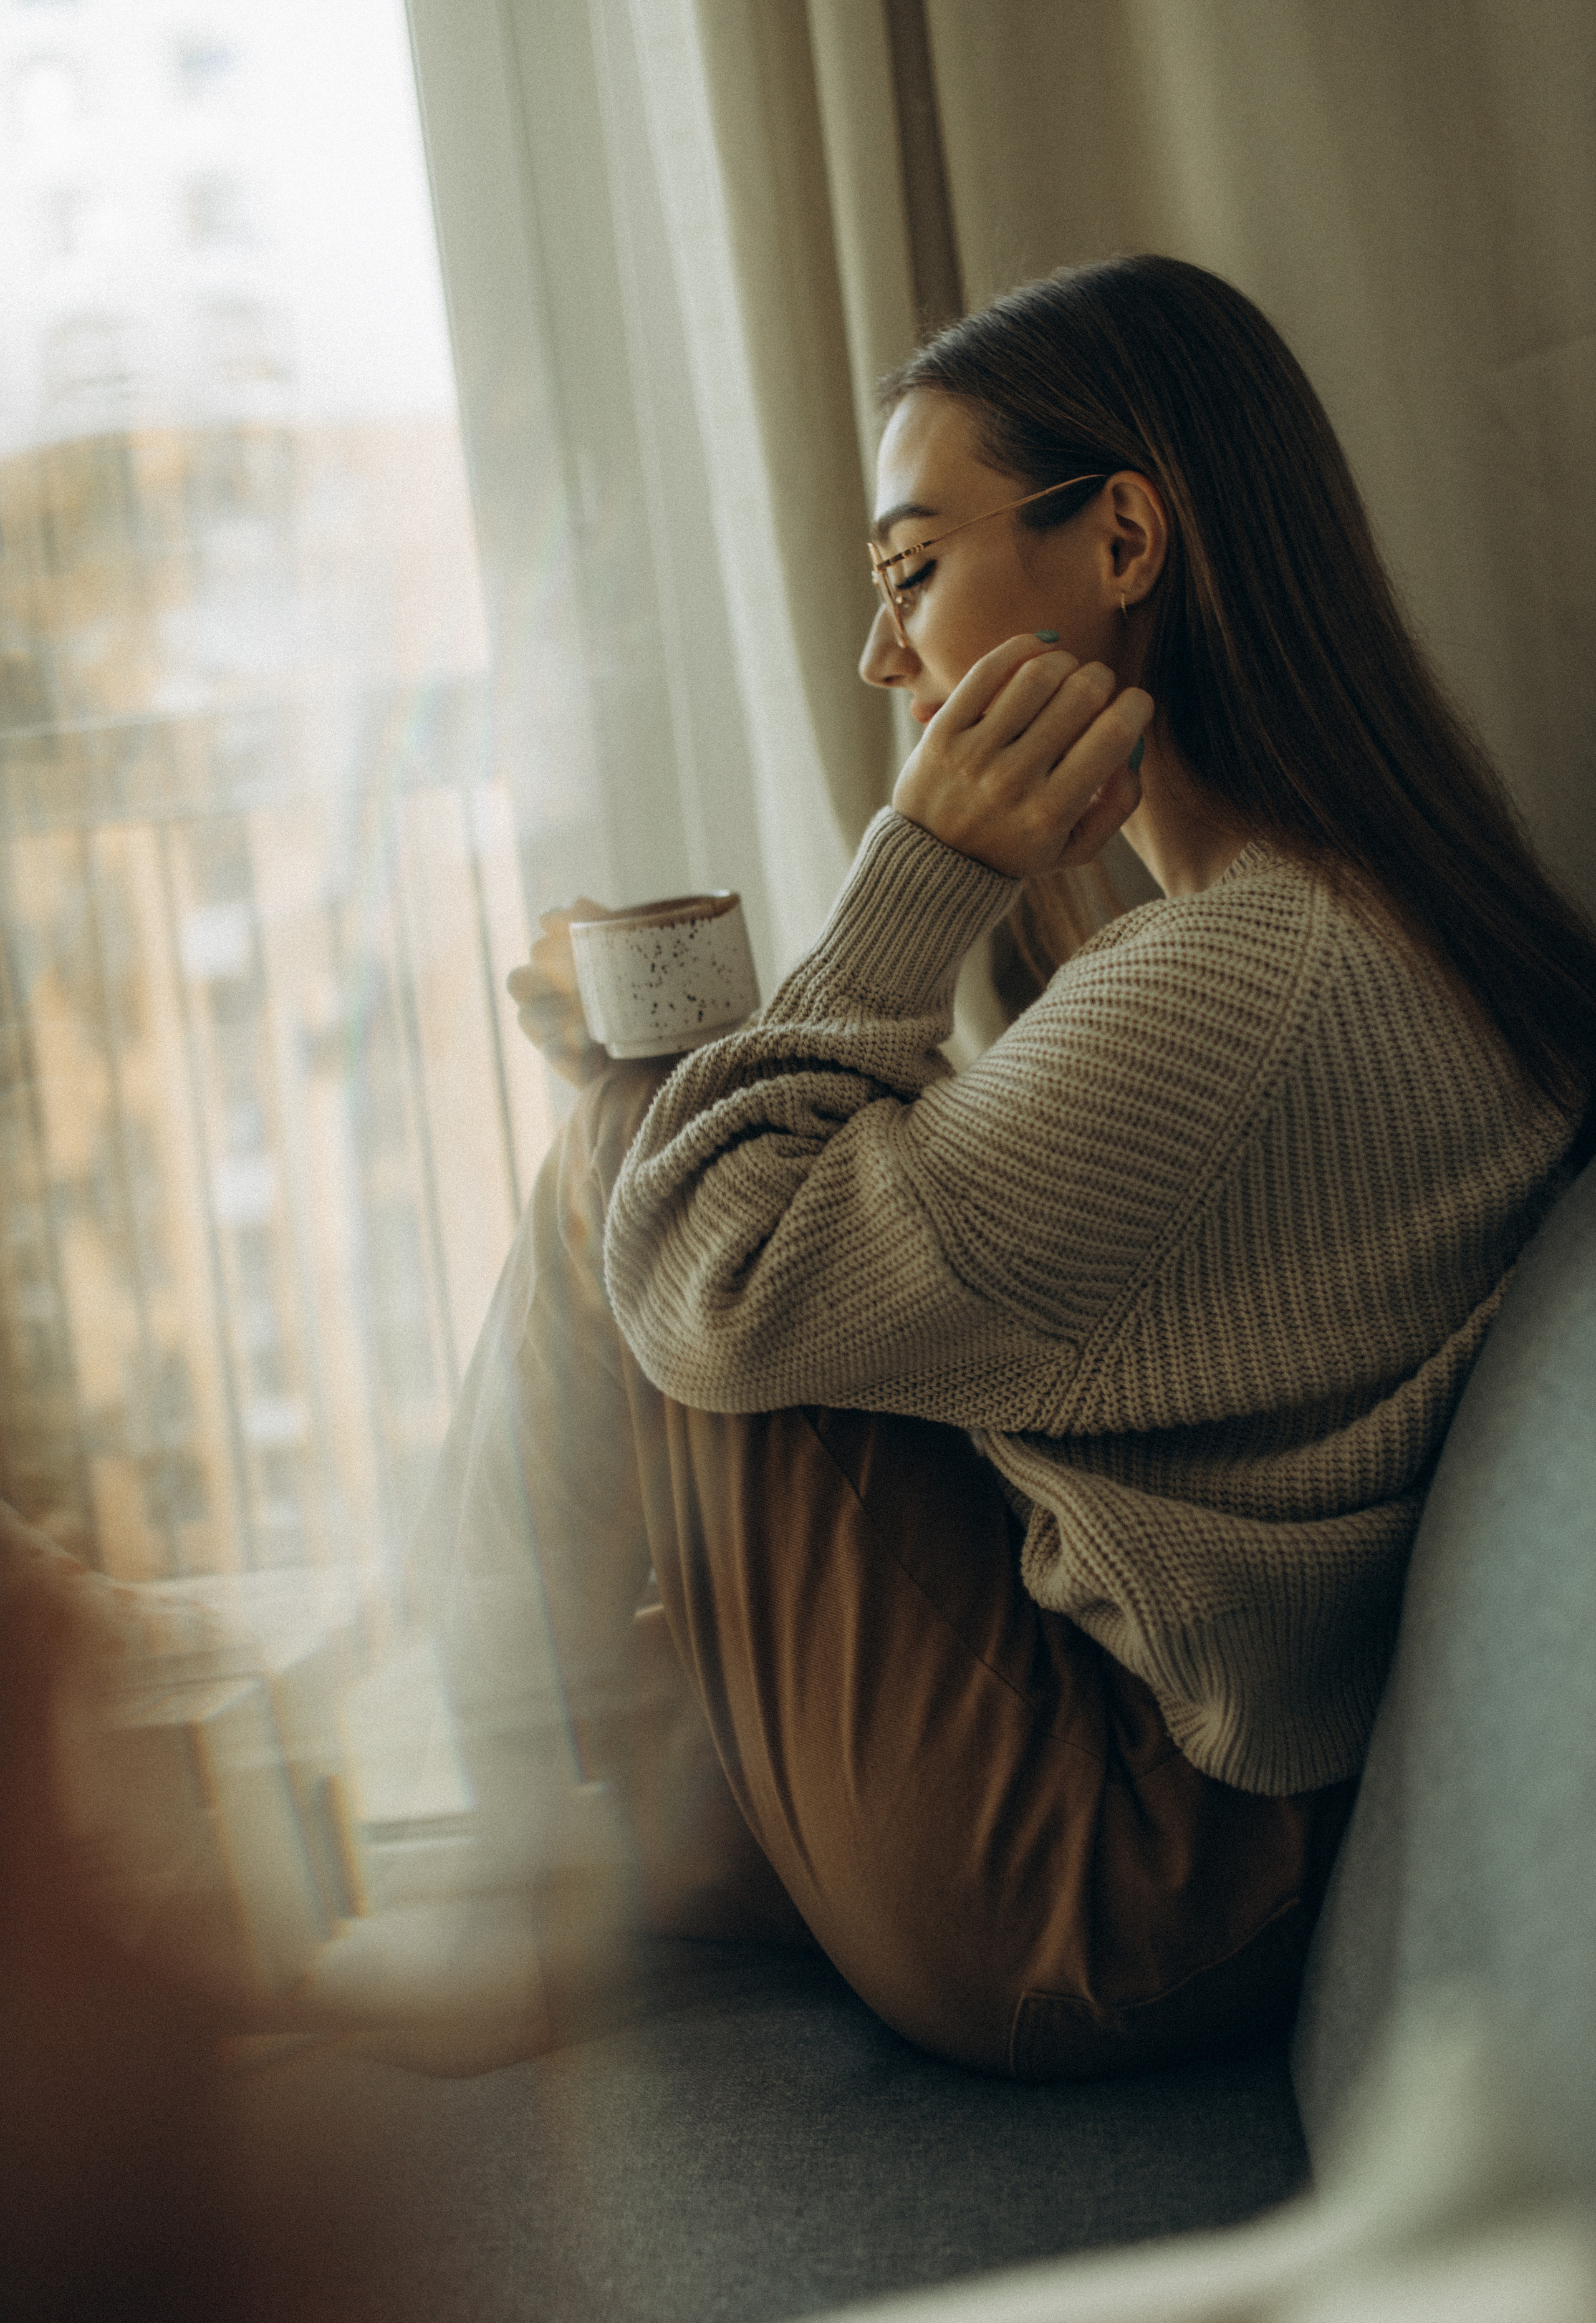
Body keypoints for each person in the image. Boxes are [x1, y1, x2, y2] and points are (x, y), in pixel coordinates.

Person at [426, 254, 1595, 2082]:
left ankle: (484, 1841)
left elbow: (715, 1280)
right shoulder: (1330, 925)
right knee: (654, 1172)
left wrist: (917, 881)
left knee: (629, 1172)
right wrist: (669, 1054)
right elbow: (996, 1228)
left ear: (1124, 540)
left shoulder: (1247, 979)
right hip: (1171, 1849)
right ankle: (423, 1808)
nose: (887, 658)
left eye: (909, 573)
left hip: (1100, 1877)